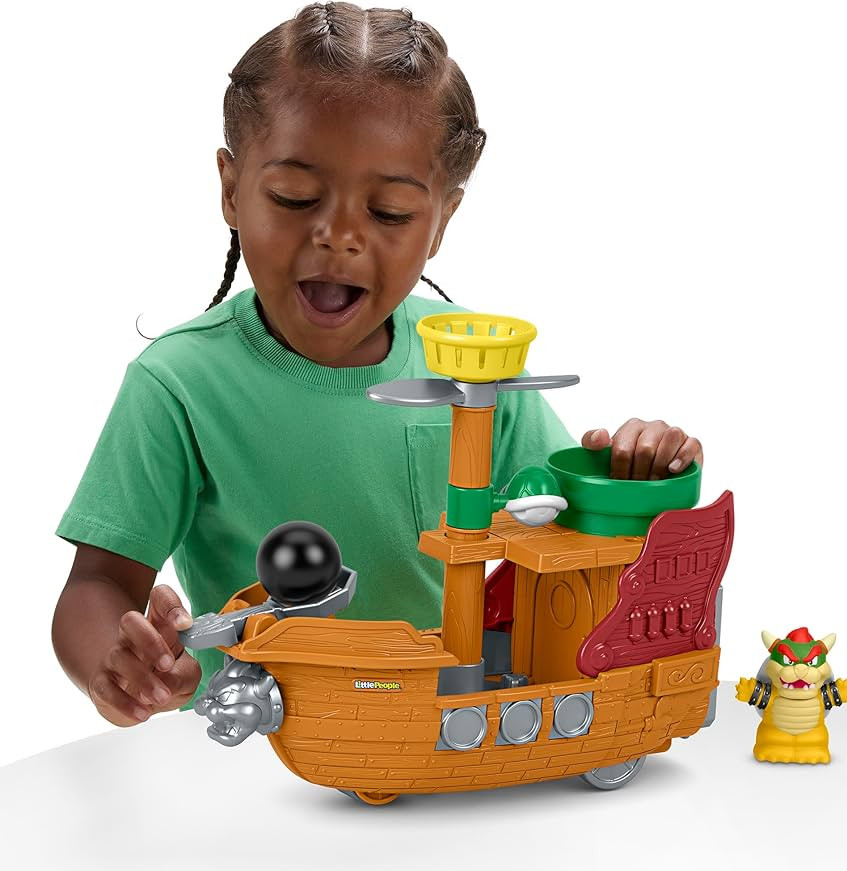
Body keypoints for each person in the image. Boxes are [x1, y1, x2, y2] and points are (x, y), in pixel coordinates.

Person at [52, 2, 703, 729]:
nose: (339, 235)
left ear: (442, 220)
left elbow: (576, 534)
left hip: (443, 726)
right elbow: (98, 583)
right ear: (231, 189)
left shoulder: (476, 373)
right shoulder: (178, 384)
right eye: (295, 197)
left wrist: (644, 474)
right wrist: (119, 662)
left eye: (390, 212)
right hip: (262, 746)